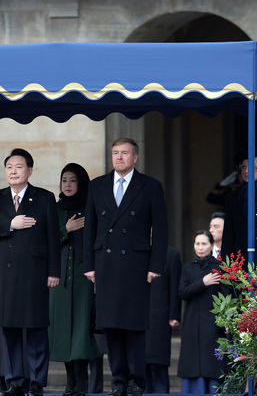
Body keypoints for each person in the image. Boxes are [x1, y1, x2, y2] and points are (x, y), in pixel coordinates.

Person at [83, 137, 169, 396]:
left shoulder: (151, 186)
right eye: (115, 153)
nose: (119, 157)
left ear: (135, 157)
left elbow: (161, 229)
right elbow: (90, 228)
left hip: (136, 264)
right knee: (110, 327)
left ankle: (136, 380)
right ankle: (118, 380)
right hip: (106, 264)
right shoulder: (97, 186)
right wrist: (89, 264)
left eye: (124, 153)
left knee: (134, 327)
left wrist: (156, 265)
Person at [0, 148, 60, 396]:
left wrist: (53, 271)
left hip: (34, 272)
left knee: (36, 329)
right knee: (9, 329)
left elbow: (53, 239)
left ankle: (36, 382)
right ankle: (15, 381)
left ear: (30, 170)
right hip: (4, 273)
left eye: (19, 167)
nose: (13, 171)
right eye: (9, 167)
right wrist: (9, 225)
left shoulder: (44, 198)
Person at [49, 163, 101, 396]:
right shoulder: (54, 210)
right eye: (64, 180)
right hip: (59, 280)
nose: (68, 185)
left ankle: (81, 385)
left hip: (83, 279)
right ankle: (70, 384)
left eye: (72, 180)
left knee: (81, 332)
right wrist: (65, 229)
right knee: (62, 332)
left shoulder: (91, 208)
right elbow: (45, 243)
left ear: (81, 183)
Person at [177, 230, 224, 394]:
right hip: (191, 323)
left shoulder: (219, 268)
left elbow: (226, 296)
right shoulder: (187, 268)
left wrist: (225, 321)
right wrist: (203, 282)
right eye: (197, 243)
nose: (200, 247)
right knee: (192, 365)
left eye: (204, 243)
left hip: (212, 324)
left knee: (211, 365)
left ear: (211, 245)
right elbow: (182, 293)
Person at [145, 245, 181, 393]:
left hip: (161, 316)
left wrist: (174, 315)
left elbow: (175, 286)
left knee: (159, 364)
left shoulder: (171, 254)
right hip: (138, 316)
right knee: (141, 365)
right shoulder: (135, 252)